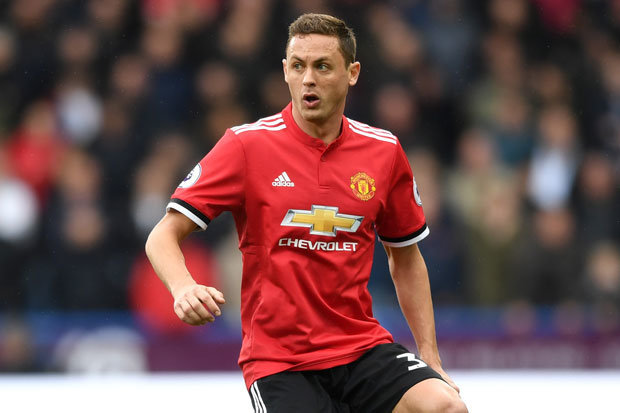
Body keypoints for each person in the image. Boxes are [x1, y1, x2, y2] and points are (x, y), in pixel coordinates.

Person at [145, 13, 467, 413]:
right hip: (281, 362)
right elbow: (162, 234)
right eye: (298, 66)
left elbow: (405, 258)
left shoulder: (384, 152)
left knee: (445, 407)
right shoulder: (246, 146)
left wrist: (429, 355)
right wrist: (183, 287)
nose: (308, 79)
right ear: (285, 71)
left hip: (360, 348)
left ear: (352, 73)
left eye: (322, 66)